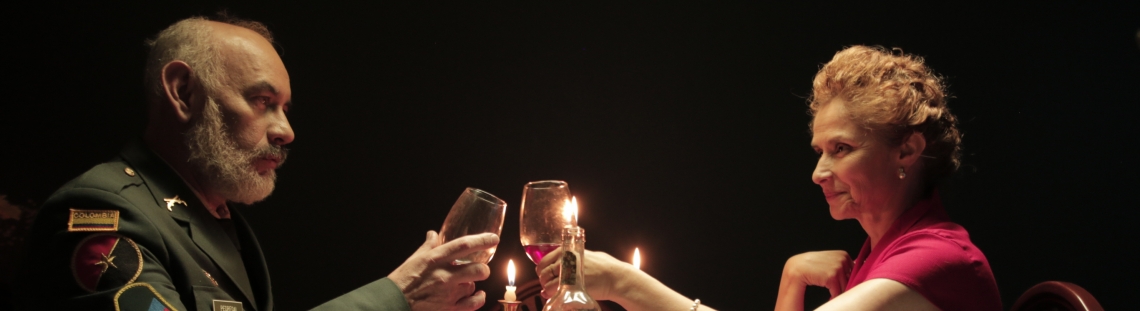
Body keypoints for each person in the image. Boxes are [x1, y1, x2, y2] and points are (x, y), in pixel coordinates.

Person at [17, 14, 498, 311]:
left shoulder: (217, 216)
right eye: (262, 100)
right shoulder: (100, 215)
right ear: (183, 92)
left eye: (285, 108)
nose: (286, 131)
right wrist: (394, 297)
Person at [537, 46, 1001, 311]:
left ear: (908, 149)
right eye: (820, 152)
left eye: (841, 149)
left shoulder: (939, 257)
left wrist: (623, 282)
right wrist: (792, 279)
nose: (819, 173)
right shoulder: (876, 257)